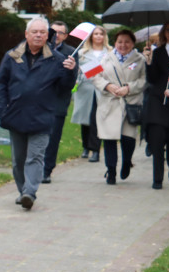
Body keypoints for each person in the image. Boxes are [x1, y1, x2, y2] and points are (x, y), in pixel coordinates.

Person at [0, 17, 77, 210]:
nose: (38, 35)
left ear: (48, 36)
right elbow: (0, 83)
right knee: (18, 161)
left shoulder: (57, 60)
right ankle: (23, 190)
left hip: (42, 117)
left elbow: (65, 87)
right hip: (16, 115)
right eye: (34, 32)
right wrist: (2, 110)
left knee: (35, 157)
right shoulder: (12, 56)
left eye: (42, 32)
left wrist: (72, 71)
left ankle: (30, 193)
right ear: (26, 34)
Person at [93, 29, 146, 185]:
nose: (123, 45)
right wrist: (107, 86)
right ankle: (111, 171)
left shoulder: (140, 59)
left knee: (128, 139)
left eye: (127, 42)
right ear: (114, 43)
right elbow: (94, 76)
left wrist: (128, 88)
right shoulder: (105, 58)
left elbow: (144, 81)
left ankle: (127, 161)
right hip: (110, 103)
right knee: (109, 139)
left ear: (133, 43)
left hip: (130, 104)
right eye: (120, 42)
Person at [144, 20, 169, 189]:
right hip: (158, 101)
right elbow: (152, 79)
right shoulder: (158, 52)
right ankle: (157, 178)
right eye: (168, 30)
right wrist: (148, 62)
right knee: (157, 140)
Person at [70, 26, 111, 163]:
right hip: (86, 88)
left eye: (101, 34)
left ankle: (95, 150)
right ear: (91, 37)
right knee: (85, 119)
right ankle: (85, 147)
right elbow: (77, 70)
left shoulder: (110, 52)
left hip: (102, 88)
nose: (98, 36)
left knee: (97, 119)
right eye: (95, 34)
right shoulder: (82, 52)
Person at [42, 20, 74, 183]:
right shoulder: (41, 49)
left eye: (60, 33)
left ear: (65, 36)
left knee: (53, 138)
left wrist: (69, 70)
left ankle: (47, 169)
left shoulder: (71, 53)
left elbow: (70, 83)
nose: (56, 36)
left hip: (58, 102)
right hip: (39, 101)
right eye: (53, 32)